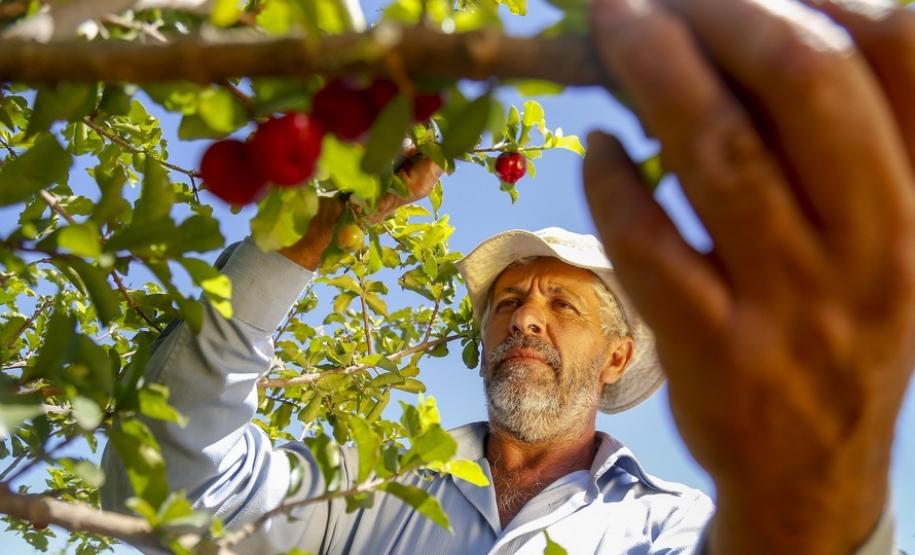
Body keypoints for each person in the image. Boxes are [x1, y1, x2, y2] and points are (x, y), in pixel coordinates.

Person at [101, 0, 915, 553]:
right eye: (508, 299)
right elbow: (168, 489)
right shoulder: (377, 485)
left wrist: (815, 498)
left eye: (562, 302)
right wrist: (300, 245)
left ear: (618, 355)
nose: (525, 317)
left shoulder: (664, 525)